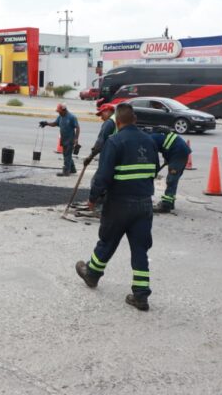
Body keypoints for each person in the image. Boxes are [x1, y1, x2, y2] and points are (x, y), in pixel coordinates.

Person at [74, 103, 160, 311]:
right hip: (144, 204)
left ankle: (92, 274)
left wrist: (93, 198)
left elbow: (103, 176)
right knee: (140, 249)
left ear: (118, 122)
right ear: (135, 120)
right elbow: (155, 170)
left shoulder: (114, 141)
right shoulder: (149, 141)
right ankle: (141, 295)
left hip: (119, 203)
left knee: (107, 241)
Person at [147, 127, 192, 213]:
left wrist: (154, 172)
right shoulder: (151, 136)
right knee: (172, 179)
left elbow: (154, 159)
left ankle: (166, 206)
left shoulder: (149, 140)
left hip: (178, 152)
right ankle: (170, 203)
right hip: (176, 151)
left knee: (171, 180)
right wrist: (167, 158)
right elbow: (164, 145)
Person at [40, 103, 80, 176]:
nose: (59, 113)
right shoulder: (60, 116)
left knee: (67, 155)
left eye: (60, 111)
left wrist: (76, 138)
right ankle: (72, 169)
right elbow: (55, 123)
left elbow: (77, 128)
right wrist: (46, 123)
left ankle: (66, 172)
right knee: (66, 154)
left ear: (64, 110)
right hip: (63, 139)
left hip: (70, 139)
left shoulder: (72, 117)